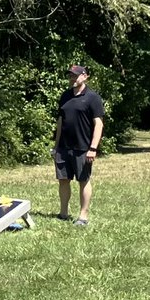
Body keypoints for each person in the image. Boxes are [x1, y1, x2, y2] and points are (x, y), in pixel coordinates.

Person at [54, 64, 105, 226]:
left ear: (85, 76)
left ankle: (83, 216)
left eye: (75, 76)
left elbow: (99, 124)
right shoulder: (65, 96)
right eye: (70, 76)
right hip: (63, 147)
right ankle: (63, 213)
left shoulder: (93, 98)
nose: (72, 78)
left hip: (83, 148)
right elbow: (60, 122)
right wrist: (56, 147)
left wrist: (93, 148)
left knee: (83, 180)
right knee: (63, 180)